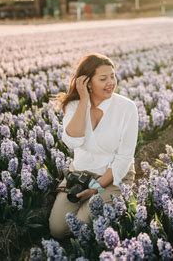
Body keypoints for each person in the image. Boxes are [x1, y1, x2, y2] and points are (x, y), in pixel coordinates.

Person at [49, 53, 139, 240]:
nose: (111, 82)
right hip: (80, 174)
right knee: (57, 229)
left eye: (113, 76)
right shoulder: (74, 106)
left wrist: (95, 189)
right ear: (88, 83)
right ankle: (94, 205)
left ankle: (104, 204)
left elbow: (124, 158)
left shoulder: (127, 108)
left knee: (80, 224)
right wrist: (84, 101)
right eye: (103, 78)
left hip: (112, 175)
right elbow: (73, 142)